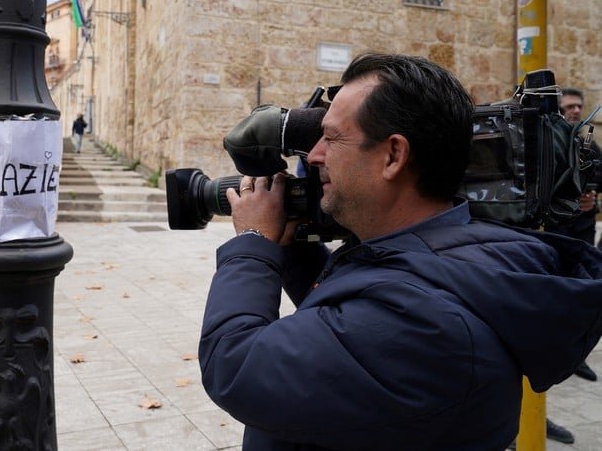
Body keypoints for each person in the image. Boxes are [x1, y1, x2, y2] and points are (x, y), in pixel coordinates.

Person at [198, 53, 602, 450]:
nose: (315, 155)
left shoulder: (425, 323)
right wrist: (290, 248)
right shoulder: (447, 250)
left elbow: (234, 364)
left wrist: (253, 240)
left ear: (393, 156)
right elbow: (346, 314)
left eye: (331, 138)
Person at [548, 87, 600, 387]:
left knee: (581, 288)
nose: (576, 111)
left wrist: (592, 195)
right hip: (555, 232)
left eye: (580, 106)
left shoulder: (588, 144)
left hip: (581, 230)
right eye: (570, 106)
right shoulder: (549, 143)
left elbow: (599, 173)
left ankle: (575, 354)